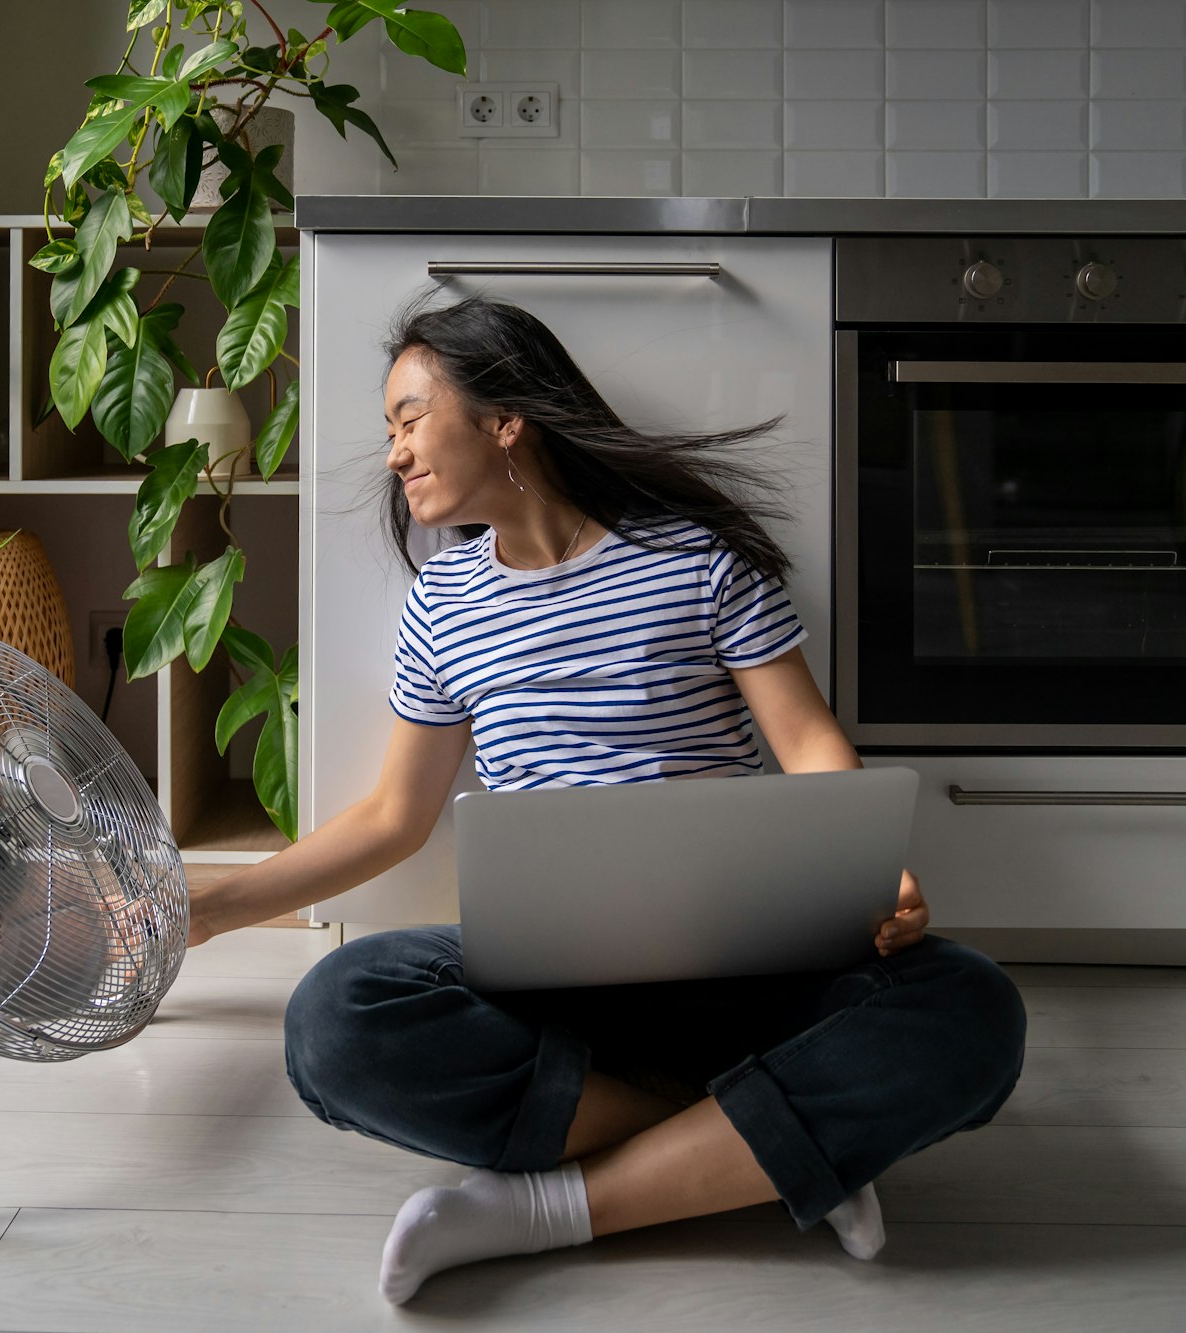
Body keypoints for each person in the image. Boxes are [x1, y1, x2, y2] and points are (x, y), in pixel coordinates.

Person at [184, 296, 1027, 1305]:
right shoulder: (442, 607)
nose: (394, 453)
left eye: (409, 418)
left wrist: (869, 870)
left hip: (750, 969)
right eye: (388, 432)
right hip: (554, 994)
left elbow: (802, 739)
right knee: (332, 1021)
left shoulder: (697, 558)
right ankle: (770, 1154)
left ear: (505, 418)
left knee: (972, 1010)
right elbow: (389, 818)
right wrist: (211, 907)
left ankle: (547, 1208)